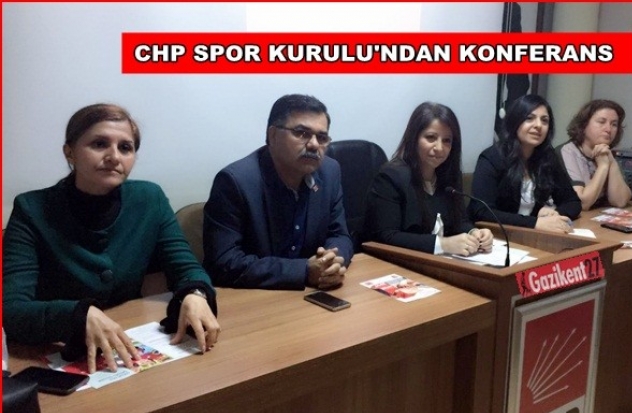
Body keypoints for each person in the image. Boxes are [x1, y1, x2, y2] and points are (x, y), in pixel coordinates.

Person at [2, 104, 220, 374]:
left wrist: (195, 293)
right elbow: (11, 310)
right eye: (99, 144)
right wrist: (77, 315)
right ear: (69, 152)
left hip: (127, 339)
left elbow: (185, 267)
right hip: (53, 352)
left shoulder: (149, 199)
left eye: (125, 148)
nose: (114, 156)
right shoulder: (31, 209)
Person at [204, 94, 353, 290]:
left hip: (314, 292)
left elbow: (340, 235)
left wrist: (331, 263)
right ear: (273, 135)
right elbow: (224, 262)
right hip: (257, 297)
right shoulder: (235, 182)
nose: (314, 144)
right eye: (302, 133)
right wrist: (303, 271)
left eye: (322, 137)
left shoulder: (330, 172)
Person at [363, 102, 493, 255]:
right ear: (414, 138)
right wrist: (443, 244)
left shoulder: (450, 176)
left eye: (447, 140)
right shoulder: (391, 177)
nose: (439, 148)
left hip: (440, 262)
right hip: (396, 262)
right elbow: (386, 236)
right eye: (431, 137)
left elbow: (459, 221)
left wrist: (474, 233)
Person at [469, 94, 581, 233]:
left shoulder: (547, 158)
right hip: (495, 236)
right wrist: (534, 223)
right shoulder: (491, 158)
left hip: (531, 235)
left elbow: (573, 202)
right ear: (514, 122)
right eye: (529, 118)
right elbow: (482, 212)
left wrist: (554, 214)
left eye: (544, 120)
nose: (538, 125)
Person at [560, 99, 632, 209]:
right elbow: (582, 203)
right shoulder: (568, 152)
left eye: (614, 124)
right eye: (601, 122)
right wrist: (603, 166)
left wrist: (611, 162)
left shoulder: (607, 153)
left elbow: (620, 201)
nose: (608, 129)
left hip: (595, 216)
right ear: (584, 125)